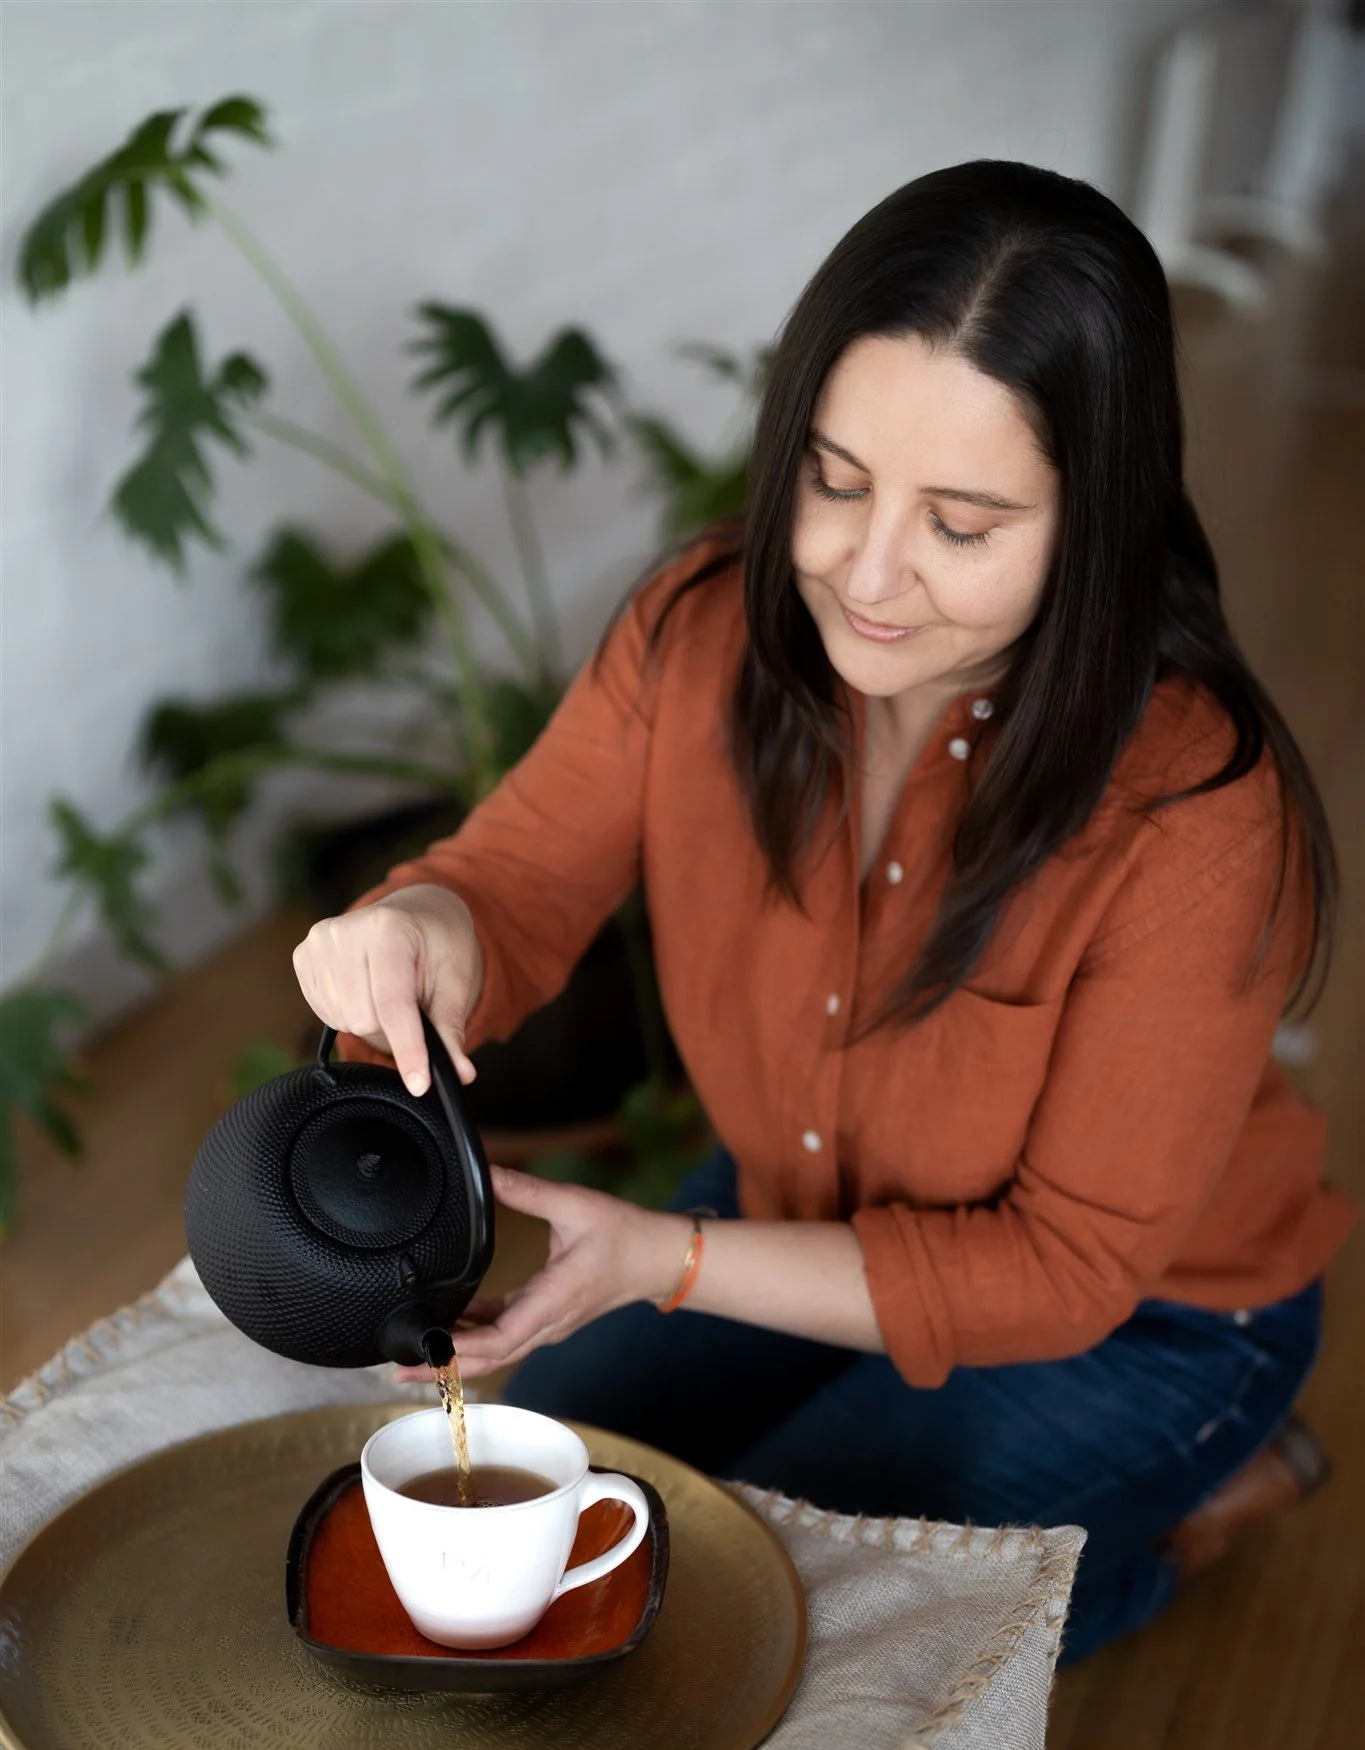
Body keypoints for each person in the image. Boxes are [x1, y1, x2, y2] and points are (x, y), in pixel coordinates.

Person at [295, 160, 1355, 1664]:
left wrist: (667, 1259)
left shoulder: (1196, 813)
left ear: (1097, 523)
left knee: (767, 1635)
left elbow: (1061, 1268)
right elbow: (515, 880)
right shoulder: (700, 627)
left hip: (1150, 1319)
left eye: (962, 526)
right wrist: (426, 928)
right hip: (794, 1214)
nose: (866, 573)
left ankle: (1180, 1520)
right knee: (540, 1517)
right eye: (838, 481)